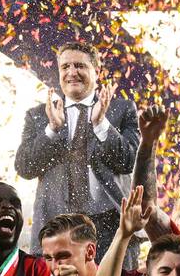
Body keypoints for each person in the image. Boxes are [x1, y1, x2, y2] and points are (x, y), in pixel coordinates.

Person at [14, 42, 139, 256]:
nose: (72, 73)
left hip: (111, 229)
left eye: (80, 66)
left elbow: (128, 161)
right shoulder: (40, 115)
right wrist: (51, 130)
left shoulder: (121, 109)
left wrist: (101, 125)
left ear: (96, 71)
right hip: (54, 230)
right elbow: (25, 167)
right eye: (65, 67)